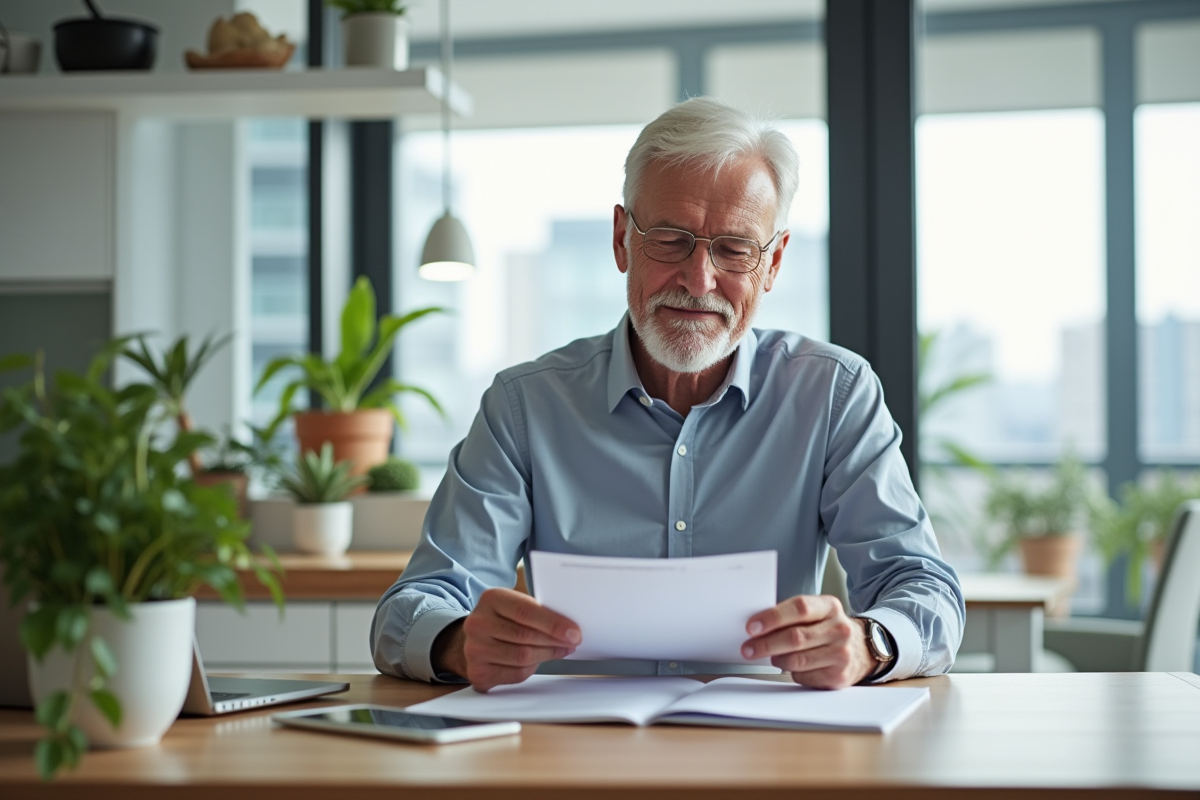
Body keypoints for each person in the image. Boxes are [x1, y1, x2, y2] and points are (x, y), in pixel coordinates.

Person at [371, 96, 964, 692]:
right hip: (571, 753)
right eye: (671, 240)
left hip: (770, 752)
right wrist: (456, 642)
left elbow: (925, 590)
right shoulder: (524, 407)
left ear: (774, 263)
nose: (699, 280)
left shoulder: (834, 395)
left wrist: (869, 644)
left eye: (735, 249)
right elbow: (412, 606)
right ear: (622, 240)